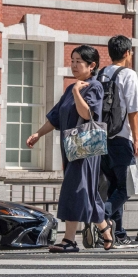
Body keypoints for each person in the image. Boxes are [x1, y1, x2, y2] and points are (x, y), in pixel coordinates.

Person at [26, 45, 114, 253]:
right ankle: (105, 227)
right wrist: (38, 134)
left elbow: (87, 114)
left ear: (91, 66)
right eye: (72, 60)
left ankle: (69, 240)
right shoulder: (69, 89)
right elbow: (55, 117)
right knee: (86, 191)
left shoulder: (94, 87)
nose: (73, 65)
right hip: (71, 147)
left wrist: (77, 91)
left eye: (78, 61)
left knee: (74, 189)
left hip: (86, 148)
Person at [97, 35, 138, 248]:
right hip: (121, 138)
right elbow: (133, 111)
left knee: (114, 187)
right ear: (127, 53)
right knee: (126, 189)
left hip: (101, 138)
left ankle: (119, 234)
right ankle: (101, 218)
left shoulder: (101, 74)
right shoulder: (128, 75)